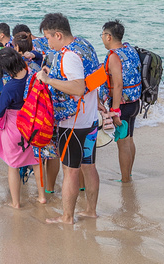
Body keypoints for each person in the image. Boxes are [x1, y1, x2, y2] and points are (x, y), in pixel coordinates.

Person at [35, 13, 104, 224]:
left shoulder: (69, 56)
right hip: (90, 119)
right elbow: (94, 78)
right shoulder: (85, 45)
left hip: (72, 124)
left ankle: (67, 217)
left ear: (58, 34)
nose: (47, 42)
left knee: (71, 171)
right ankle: (91, 211)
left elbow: (78, 86)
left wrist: (47, 79)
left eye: (48, 38)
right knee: (89, 166)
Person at [0, 47, 45, 208]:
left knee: (13, 166)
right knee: (36, 161)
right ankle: (42, 197)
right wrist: (33, 54)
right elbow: (40, 59)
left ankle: (16, 203)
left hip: (16, 127)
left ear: (7, 68)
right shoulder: (34, 75)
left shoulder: (10, 87)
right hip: (34, 123)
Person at [101, 20, 142, 183]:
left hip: (122, 106)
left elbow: (118, 84)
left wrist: (115, 111)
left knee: (123, 143)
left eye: (103, 35)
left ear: (109, 36)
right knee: (129, 138)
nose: (102, 38)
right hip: (134, 102)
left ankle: (125, 180)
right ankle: (129, 174)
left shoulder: (113, 56)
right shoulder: (129, 49)